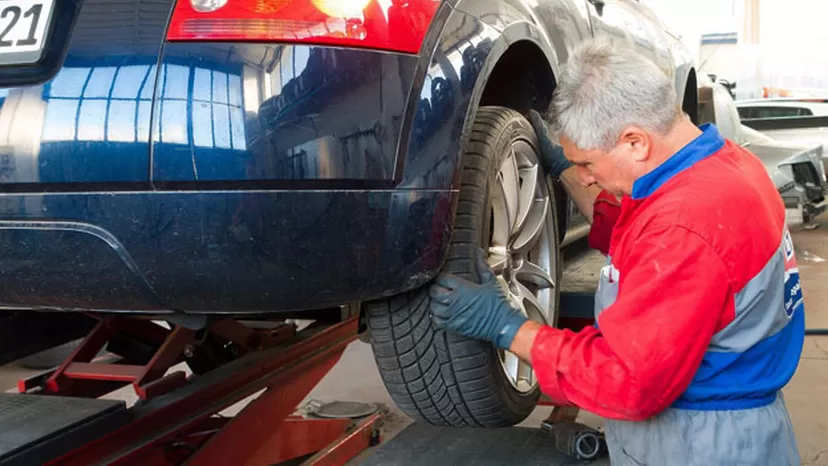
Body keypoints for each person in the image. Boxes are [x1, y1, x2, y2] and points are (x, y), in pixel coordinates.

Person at [428, 38, 804, 465]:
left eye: (588, 164)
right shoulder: (723, 164)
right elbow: (641, 232)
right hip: (716, 426)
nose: (586, 179)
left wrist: (508, 328)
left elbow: (628, 382)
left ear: (635, 142)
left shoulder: (685, 226)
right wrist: (566, 167)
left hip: (701, 444)